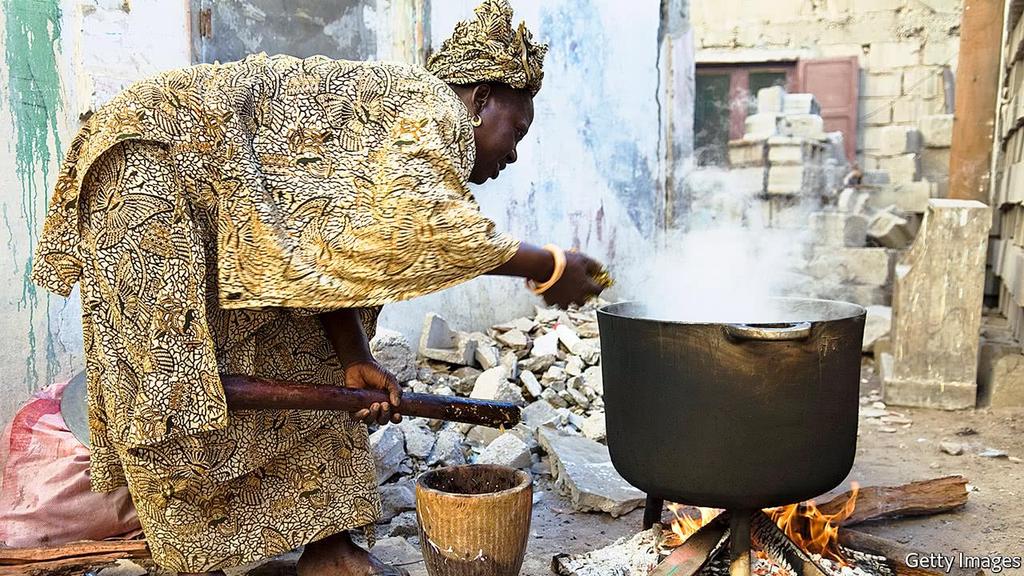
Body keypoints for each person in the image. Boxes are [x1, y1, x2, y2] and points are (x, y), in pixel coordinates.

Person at [29, 0, 607, 574]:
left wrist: (354, 356)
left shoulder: (410, 127)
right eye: (518, 130)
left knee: (303, 354)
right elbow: (426, 226)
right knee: (174, 386)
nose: (514, 152)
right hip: (150, 171)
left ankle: (326, 542)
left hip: (200, 191)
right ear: (481, 99)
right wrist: (549, 263)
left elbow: (326, 260)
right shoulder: (429, 114)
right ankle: (197, 554)